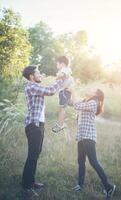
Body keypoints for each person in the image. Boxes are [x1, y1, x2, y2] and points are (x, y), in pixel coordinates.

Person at [22, 65, 65, 198]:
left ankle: (31, 181)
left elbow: (48, 90)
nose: (40, 75)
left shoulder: (35, 86)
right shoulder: (31, 86)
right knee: (32, 155)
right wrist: (61, 79)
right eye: (38, 73)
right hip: (33, 125)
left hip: (39, 124)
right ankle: (26, 187)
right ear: (31, 76)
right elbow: (51, 91)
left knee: (36, 153)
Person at [71, 88, 116, 199]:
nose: (89, 89)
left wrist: (73, 91)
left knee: (93, 162)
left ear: (95, 94)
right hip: (82, 135)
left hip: (88, 136)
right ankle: (80, 185)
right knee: (81, 161)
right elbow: (72, 103)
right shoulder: (86, 101)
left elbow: (76, 105)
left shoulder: (93, 103)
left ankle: (109, 187)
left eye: (92, 89)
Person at [52, 56, 74, 133]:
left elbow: (61, 75)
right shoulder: (65, 69)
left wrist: (57, 77)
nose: (56, 65)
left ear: (62, 64)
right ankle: (60, 124)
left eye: (57, 64)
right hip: (64, 91)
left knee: (62, 109)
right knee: (66, 105)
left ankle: (61, 125)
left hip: (64, 92)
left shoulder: (65, 69)